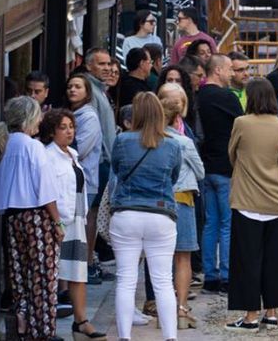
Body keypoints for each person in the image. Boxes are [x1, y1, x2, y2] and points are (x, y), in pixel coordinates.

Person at [108, 92, 182, 341]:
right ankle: (170, 336)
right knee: (163, 281)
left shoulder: (122, 140)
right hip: (160, 213)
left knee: (126, 279)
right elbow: (173, 177)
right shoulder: (172, 143)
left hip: (127, 212)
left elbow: (117, 170)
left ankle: (125, 337)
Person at [0, 96, 64, 341]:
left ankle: (22, 323)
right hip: (36, 216)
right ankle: (43, 330)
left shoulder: (3, 144)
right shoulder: (32, 146)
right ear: (29, 118)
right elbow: (45, 189)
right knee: (44, 276)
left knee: (19, 274)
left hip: (12, 218)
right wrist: (57, 222)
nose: (41, 120)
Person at [225, 79, 278, 331]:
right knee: (275, 261)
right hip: (276, 199)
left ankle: (250, 315)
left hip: (246, 199)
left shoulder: (241, 123)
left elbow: (232, 154)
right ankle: (271, 312)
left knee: (247, 260)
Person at [40, 109, 108, 340]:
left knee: (78, 271)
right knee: (53, 272)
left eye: (71, 126)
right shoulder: (48, 156)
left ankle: (81, 321)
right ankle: (46, 324)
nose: (69, 131)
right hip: (60, 220)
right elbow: (47, 191)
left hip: (77, 218)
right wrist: (56, 221)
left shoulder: (73, 154)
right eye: (63, 127)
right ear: (52, 131)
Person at [196, 55, 245, 294]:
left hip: (206, 165)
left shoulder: (199, 96)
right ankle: (227, 275)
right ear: (217, 70)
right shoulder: (227, 97)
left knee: (211, 223)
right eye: (228, 69)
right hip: (226, 166)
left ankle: (210, 276)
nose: (232, 74)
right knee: (227, 223)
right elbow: (242, 125)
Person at [157, 84, 205, 330]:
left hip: (156, 202)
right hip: (183, 200)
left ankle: (160, 307)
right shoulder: (184, 142)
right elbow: (200, 171)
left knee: (160, 259)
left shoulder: (150, 139)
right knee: (183, 257)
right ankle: (181, 308)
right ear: (177, 116)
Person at [65, 74, 107, 287]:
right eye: (70, 86)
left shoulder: (89, 117)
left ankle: (82, 268)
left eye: (78, 87)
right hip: (72, 182)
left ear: (87, 92)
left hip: (85, 182)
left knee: (81, 224)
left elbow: (79, 150)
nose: (72, 90)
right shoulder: (74, 114)